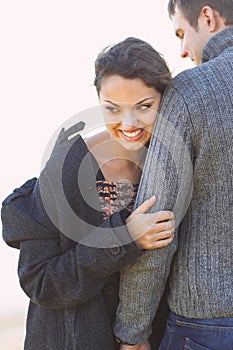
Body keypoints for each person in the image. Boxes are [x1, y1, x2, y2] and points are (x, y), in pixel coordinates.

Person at [1, 37, 175, 350]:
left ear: (164, 101)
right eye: (112, 109)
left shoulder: (170, 162)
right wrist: (123, 238)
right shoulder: (65, 168)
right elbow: (40, 281)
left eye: (144, 106)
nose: (129, 123)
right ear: (99, 102)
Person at [113, 1, 233, 350]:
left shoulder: (190, 91)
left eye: (182, 33)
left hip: (206, 327)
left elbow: (156, 222)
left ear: (208, 17)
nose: (182, 50)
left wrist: (132, 333)